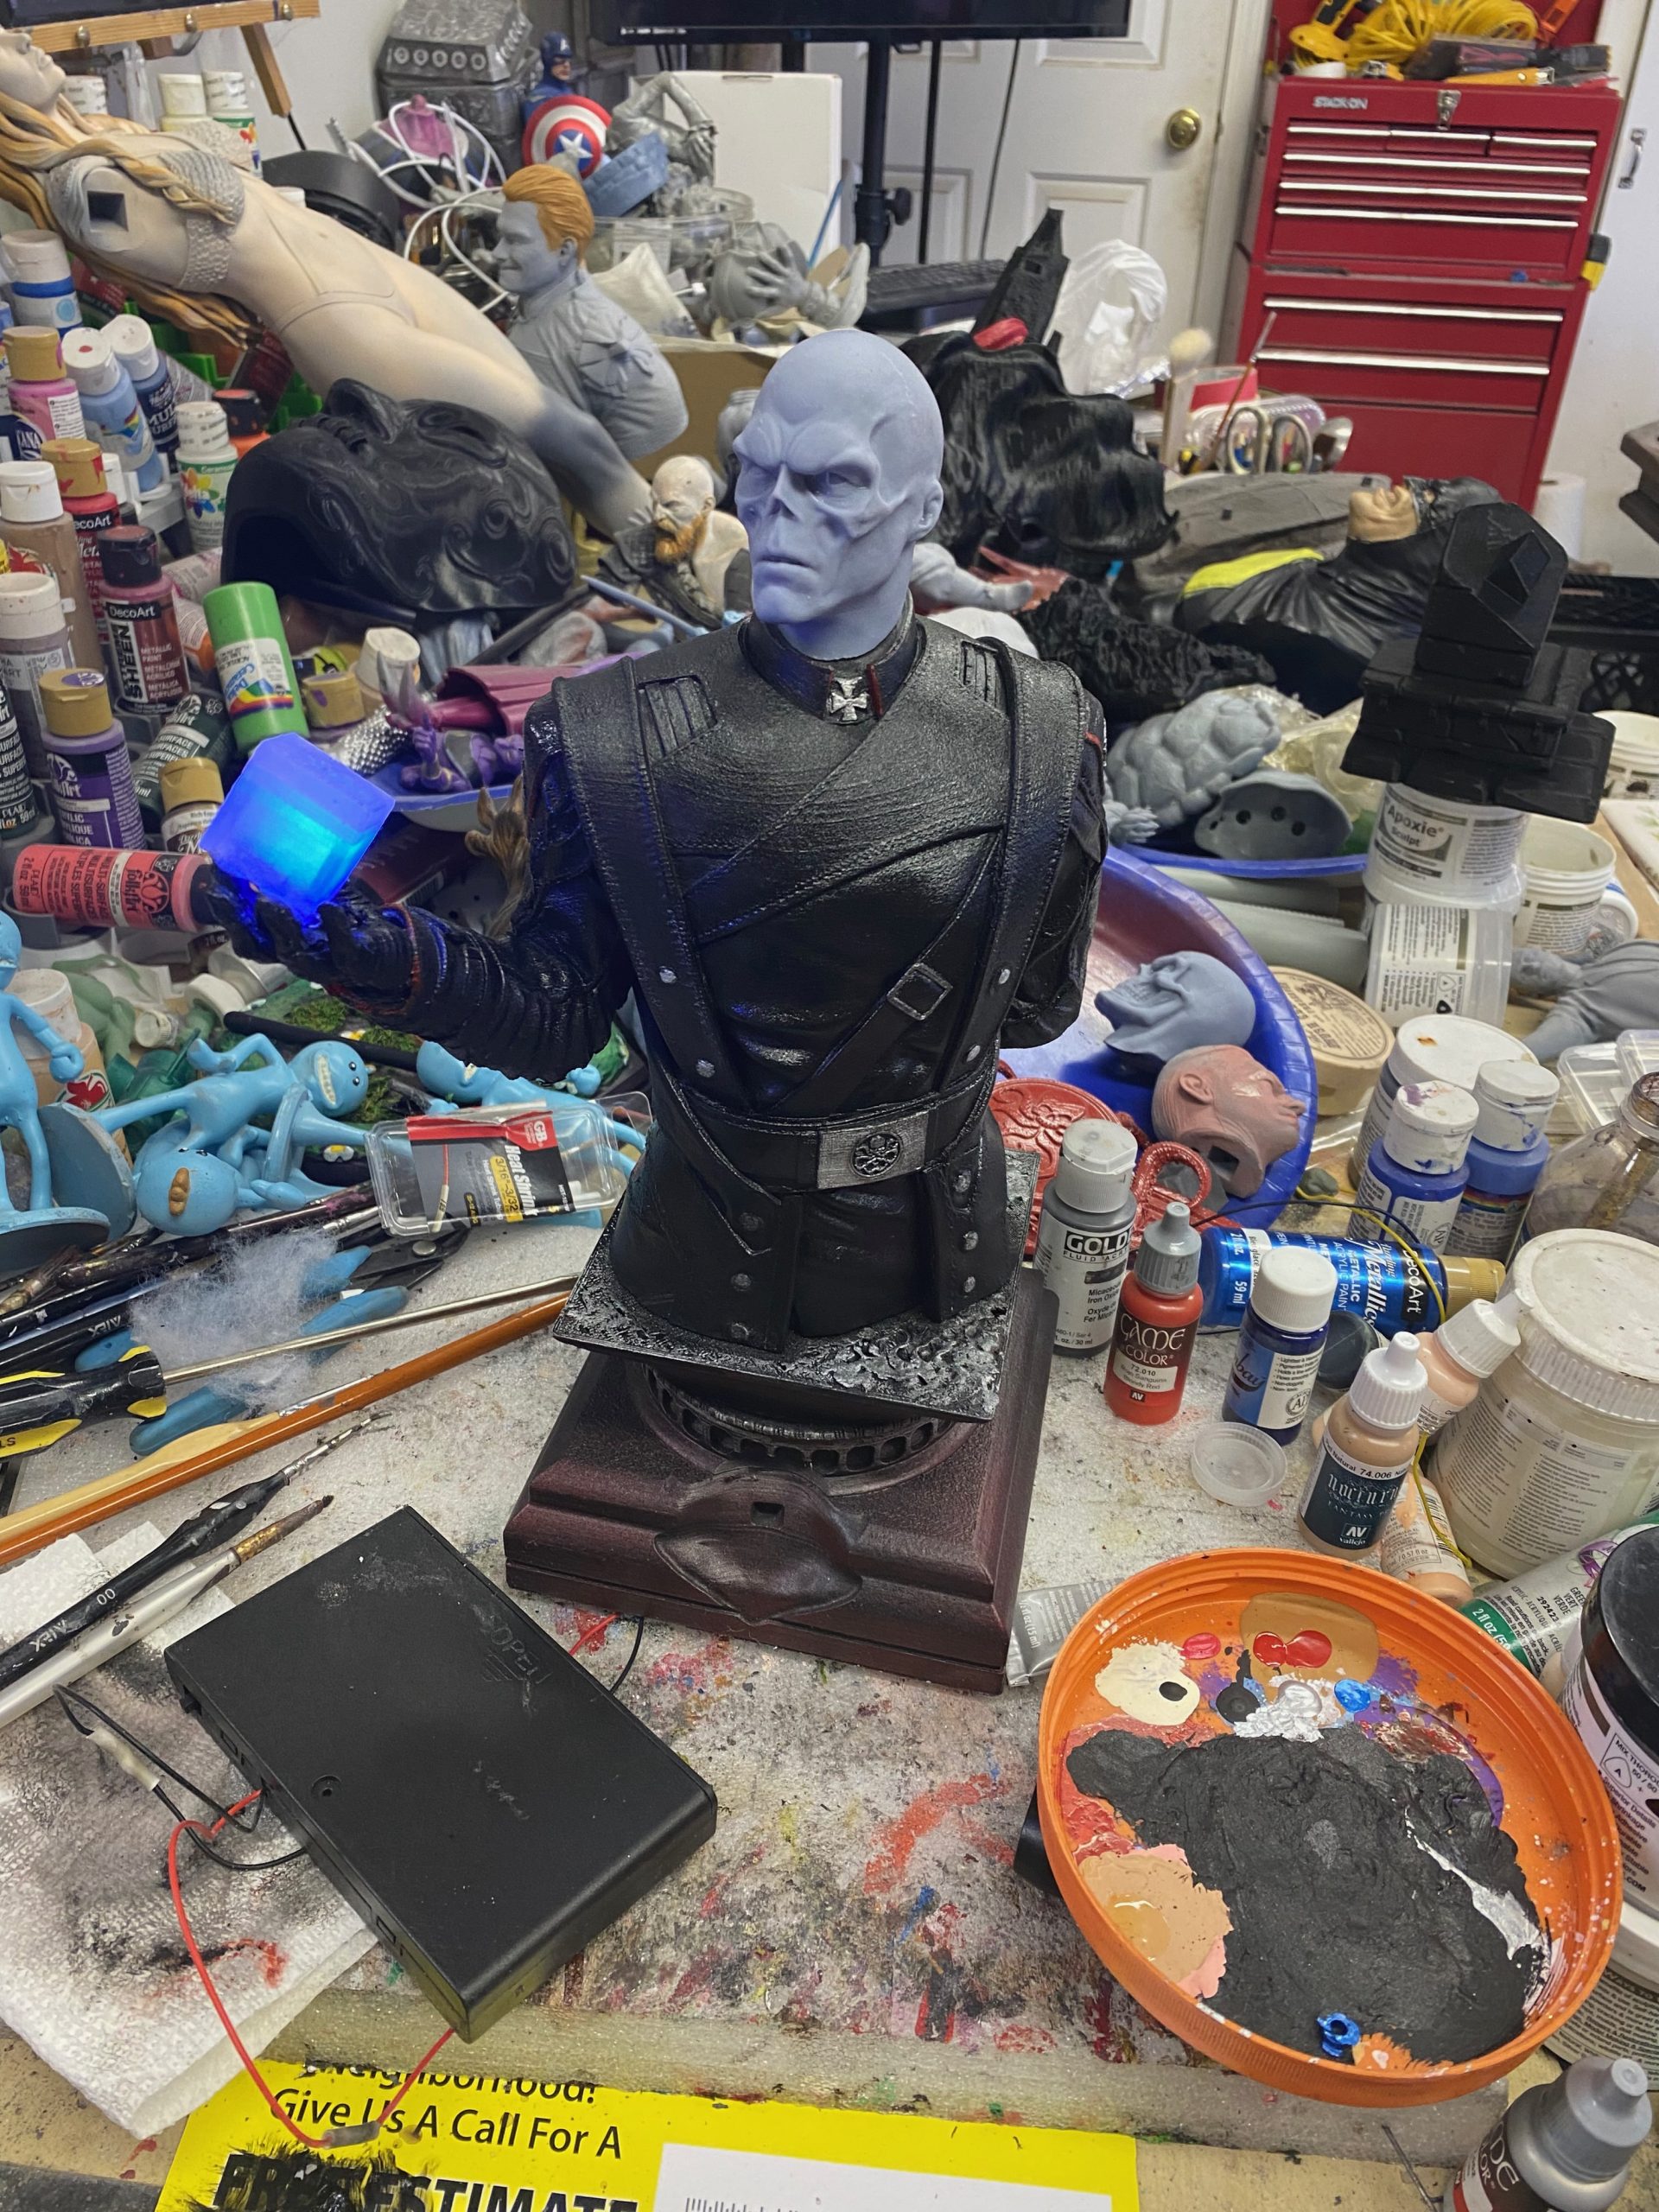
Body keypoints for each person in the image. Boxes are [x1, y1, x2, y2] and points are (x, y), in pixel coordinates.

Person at [206, 332, 1106, 1351]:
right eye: (759, 473)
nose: (776, 515)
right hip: (703, 1245)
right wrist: (388, 957)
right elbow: (556, 1013)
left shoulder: (1040, 732)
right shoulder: (609, 736)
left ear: (925, 506)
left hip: (937, 1249)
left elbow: (1037, 1006)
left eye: (831, 482)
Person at [0, 35, 649, 533]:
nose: (25, 40)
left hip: (372, 270)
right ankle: (683, 578)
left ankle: (661, 576)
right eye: (3, 45)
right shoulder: (85, 188)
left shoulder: (102, 140)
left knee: (563, 442)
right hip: (341, 320)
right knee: (573, 441)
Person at [494, 163, 688, 461]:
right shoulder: (541, 308)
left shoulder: (568, 332)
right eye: (501, 237)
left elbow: (547, 446)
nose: (497, 253)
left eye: (515, 240)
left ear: (564, 251)